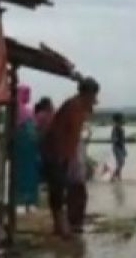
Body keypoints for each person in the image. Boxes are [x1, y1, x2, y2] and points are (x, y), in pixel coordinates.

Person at [41, 78, 99, 238]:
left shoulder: (79, 107)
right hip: (55, 153)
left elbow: (73, 136)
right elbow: (58, 133)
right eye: (93, 97)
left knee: (68, 190)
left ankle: (67, 225)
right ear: (87, 94)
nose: (94, 101)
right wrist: (62, 155)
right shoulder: (72, 106)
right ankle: (61, 227)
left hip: (65, 154)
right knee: (58, 191)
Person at [13, 85, 41, 209]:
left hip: (29, 149)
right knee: (22, 174)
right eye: (26, 93)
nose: (28, 96)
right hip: (23, 147)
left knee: (28, 174)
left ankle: (28, 202)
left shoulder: (25, 110)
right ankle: (23, 201)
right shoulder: (17, 109)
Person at [111, 113, 128, 181]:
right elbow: (114, 139)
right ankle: (114, 175)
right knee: (121, 162)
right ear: (118, 120)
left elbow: (122, 138)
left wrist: (123, 147)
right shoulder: (115, 128)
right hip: (117, 147)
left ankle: (118, 176)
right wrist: (119, 143)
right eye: (121, 118)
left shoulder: (120, 127)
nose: (122, 120)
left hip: (121, 147)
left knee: (120, 162)